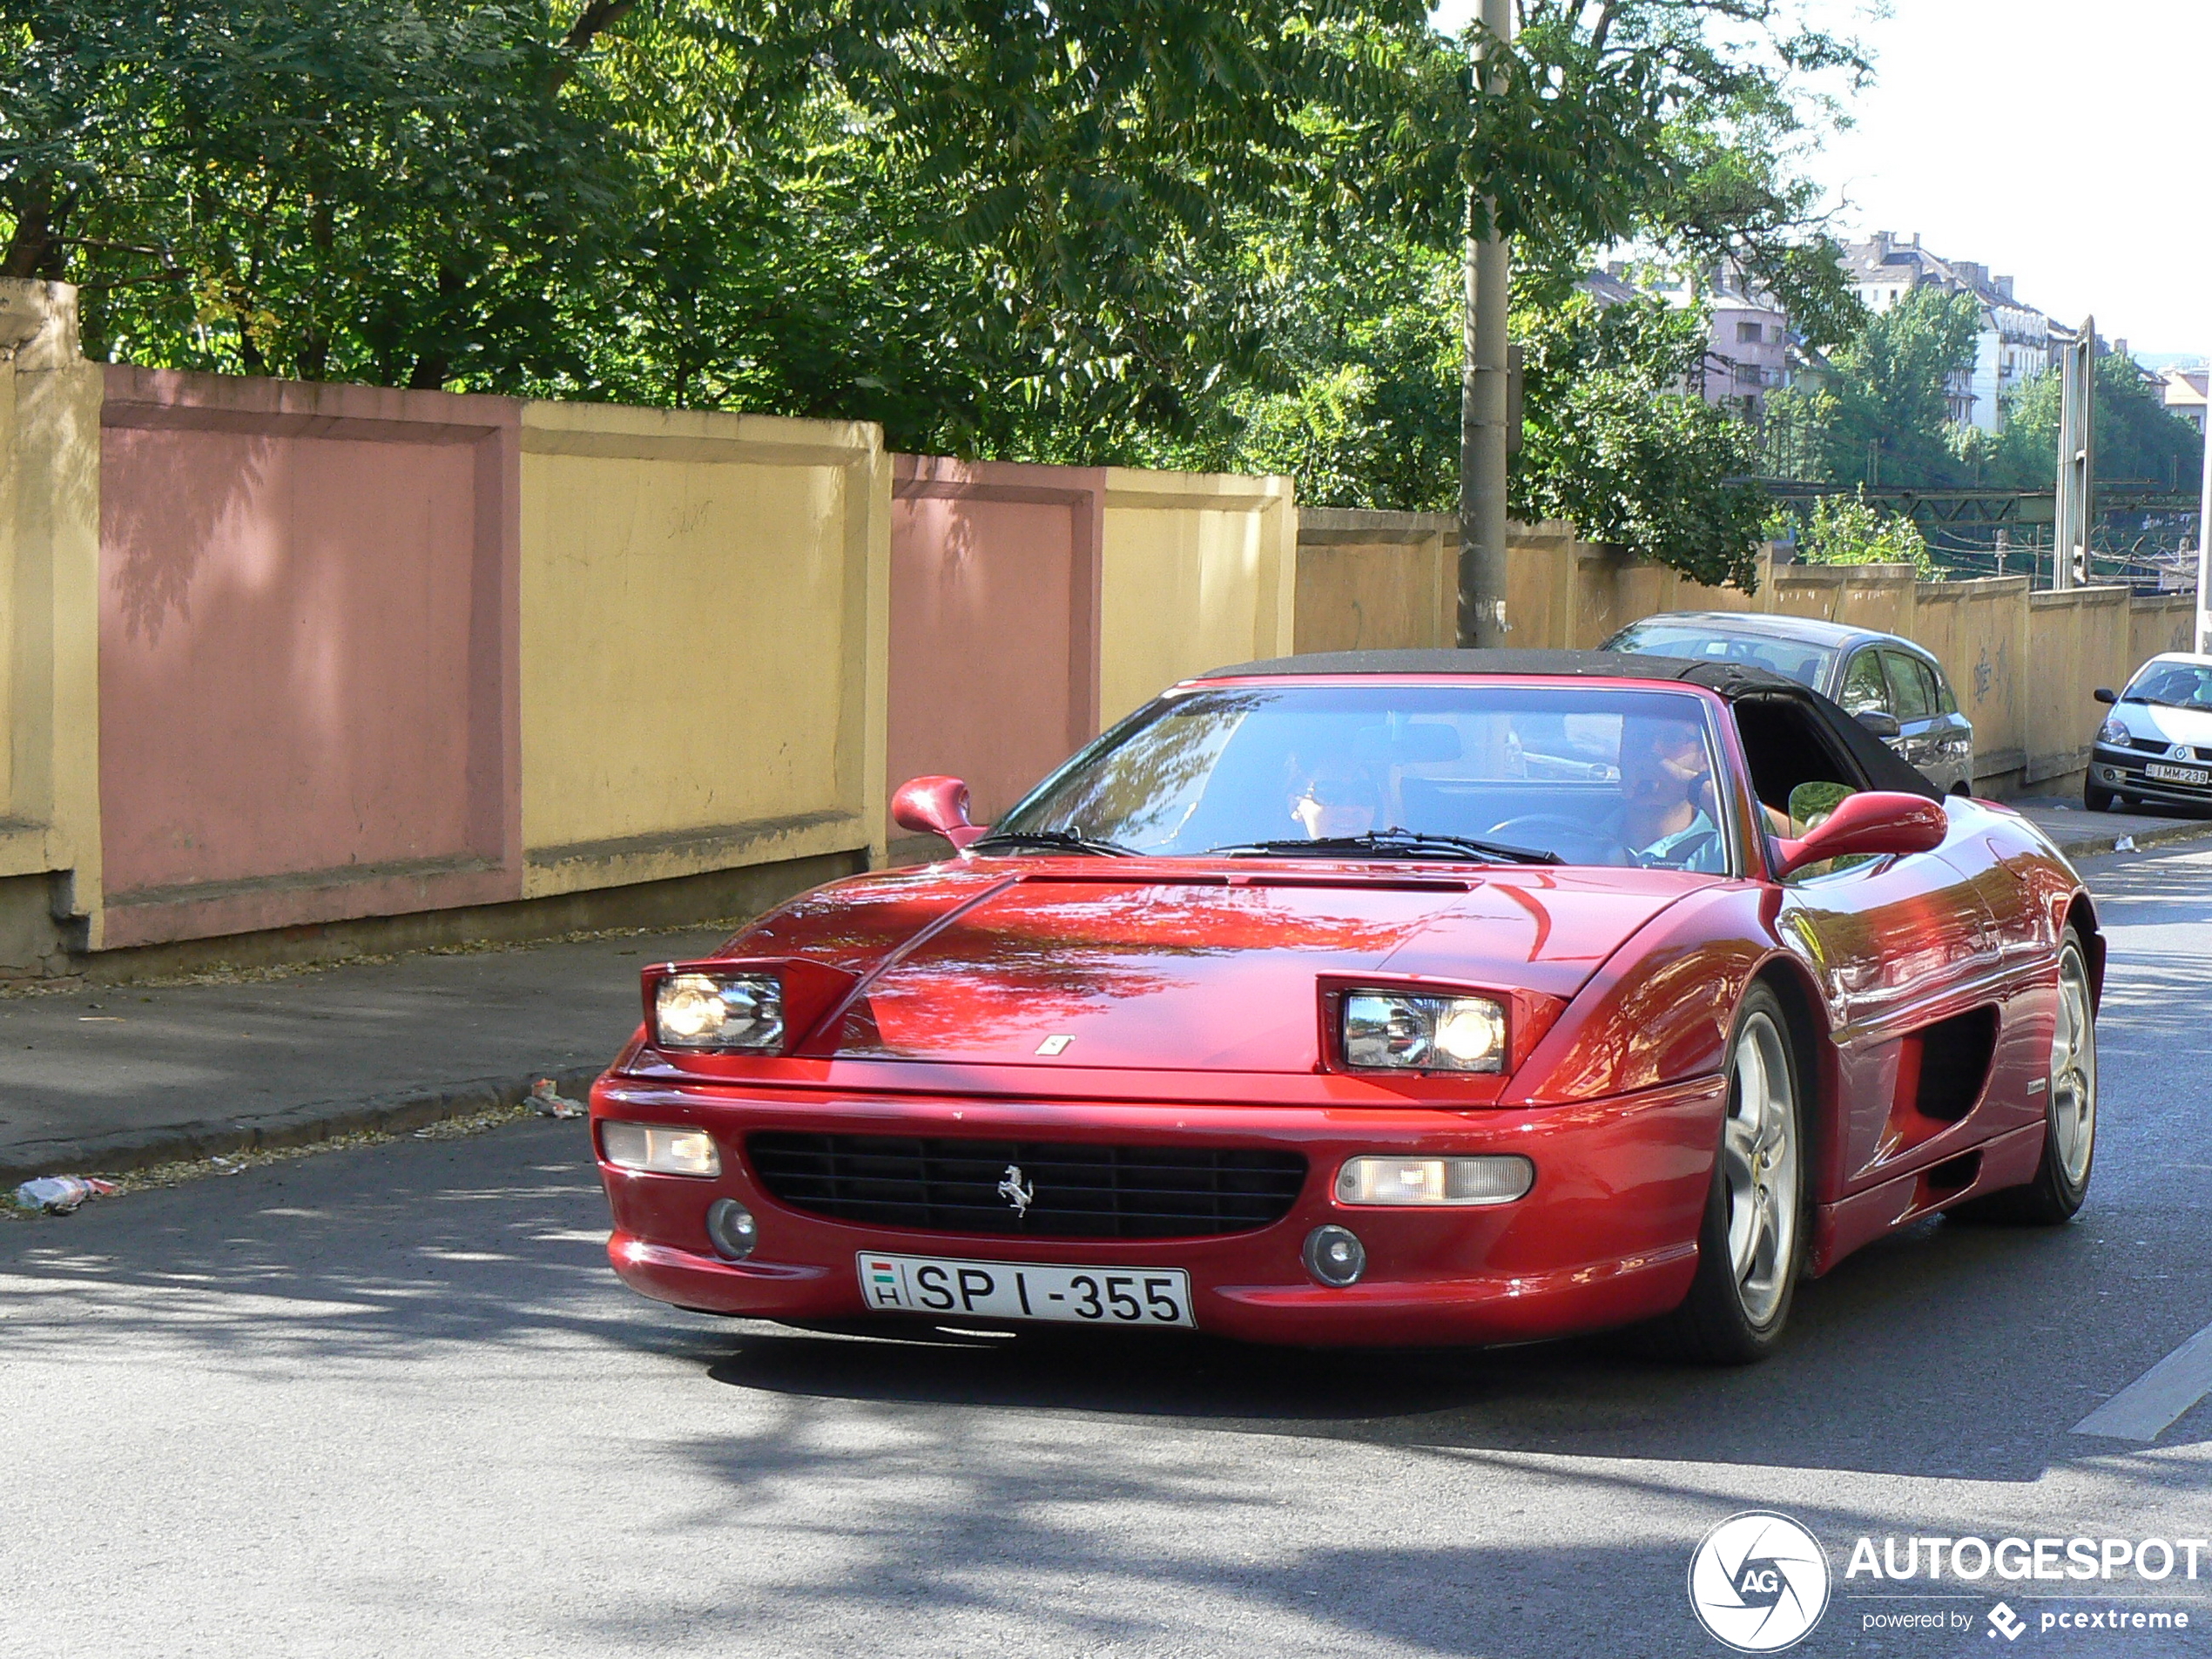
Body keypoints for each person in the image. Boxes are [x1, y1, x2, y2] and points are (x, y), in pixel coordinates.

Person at [1287, 759, 1382, 840]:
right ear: (1295, 806)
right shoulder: (1275, 857)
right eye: (1330, 794)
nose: (1349, 809)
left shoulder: (1393, 858)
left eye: (1362, 794)